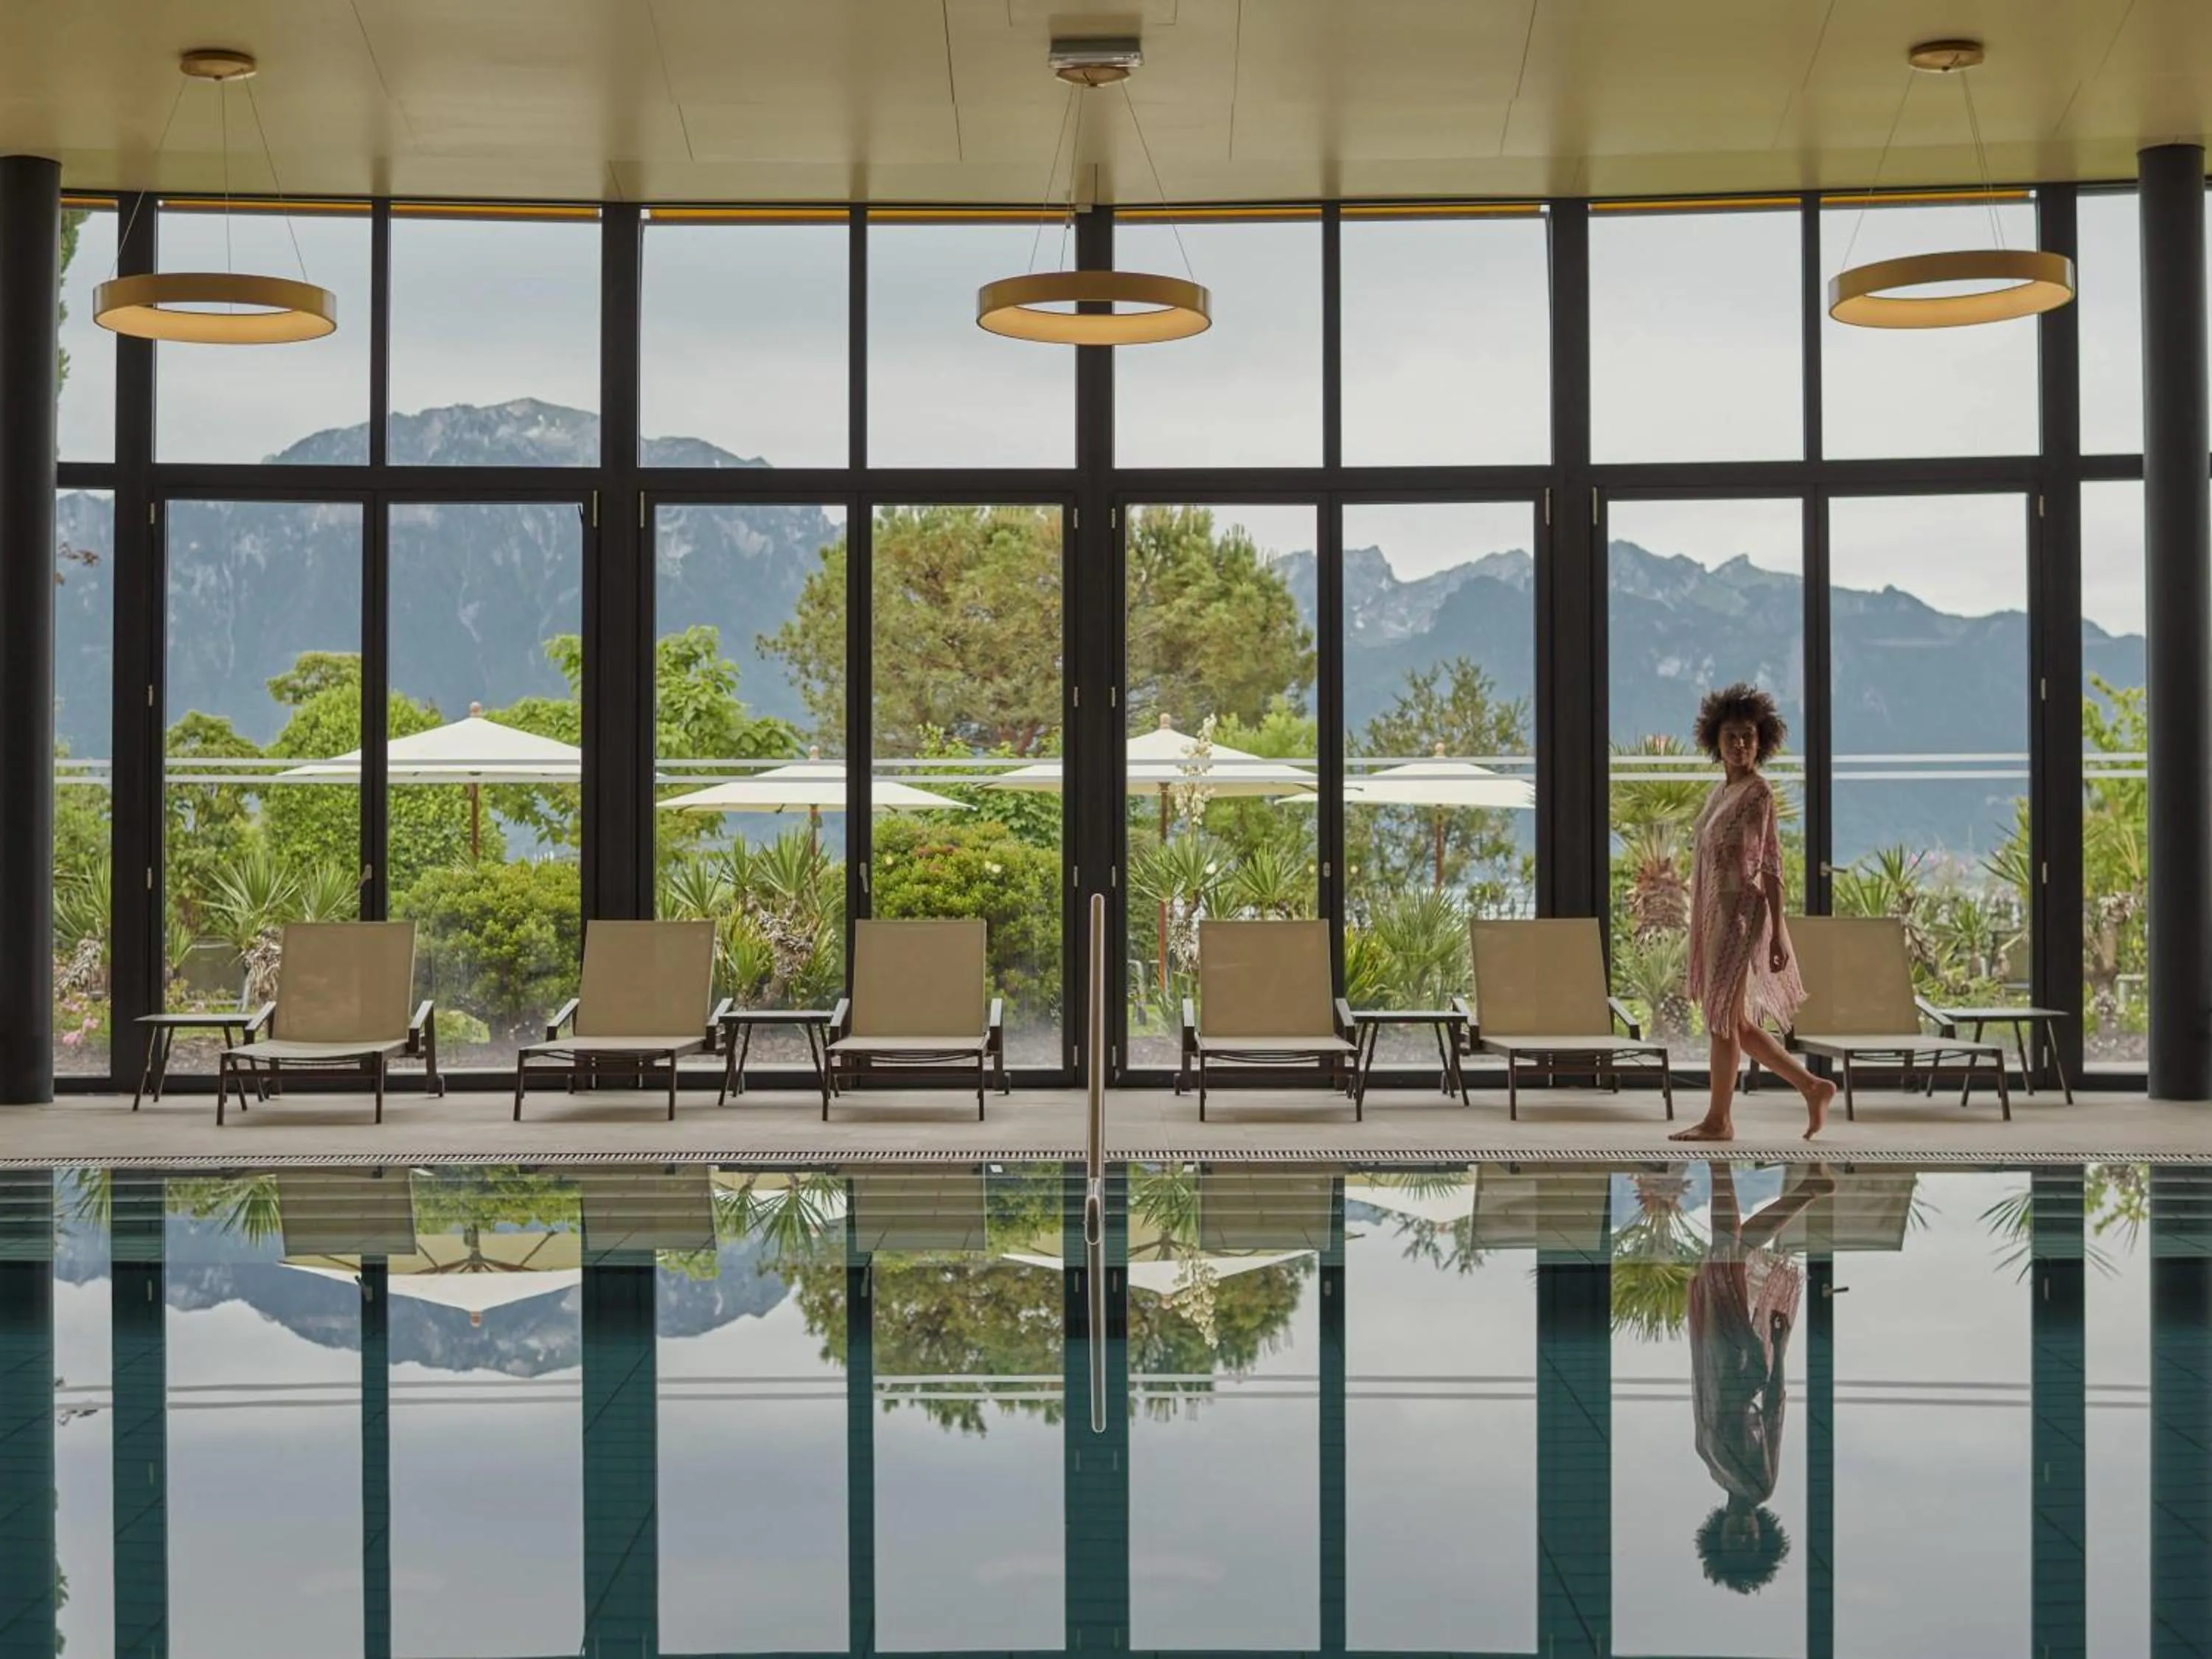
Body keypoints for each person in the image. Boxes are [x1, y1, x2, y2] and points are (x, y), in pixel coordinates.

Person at [1669, 683, 1836, 1143]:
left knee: (1723, 1020)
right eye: (1732, 737)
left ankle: (1719, 1121)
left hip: (1741, 917)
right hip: (1713, 916)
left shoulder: (1758, 794)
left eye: (1748, 737)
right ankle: (1813, 1086)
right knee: (1735, 1022)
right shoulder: (1718, 793)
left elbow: (1771, 866)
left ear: (1761, 741)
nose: (1740, 745)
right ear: (1715, 742)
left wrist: (1778, 933)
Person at [1689, 1161, 1833, 1595]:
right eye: (1749, 1541)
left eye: (1732, 1542)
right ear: (1759, 1532)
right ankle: (1721, 1165)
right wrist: (1778, 1347)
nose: (1740, 1535)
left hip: (1715, 1353)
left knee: (1732, 1252)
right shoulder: (1758, 1484)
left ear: (1719, 1537)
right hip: (1740, 1359)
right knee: (1725, 1252)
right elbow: (1771, 1411)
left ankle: (1809, 1188)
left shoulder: (1722, 1477)